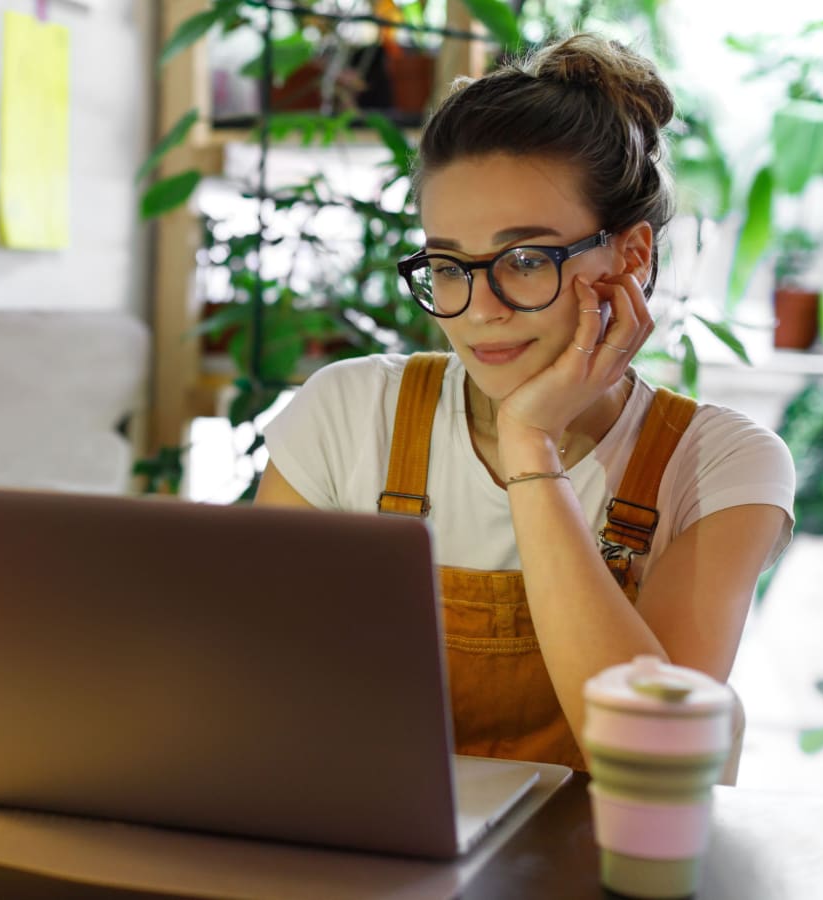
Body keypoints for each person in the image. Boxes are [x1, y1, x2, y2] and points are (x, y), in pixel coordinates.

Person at [254, 33, 795, 770]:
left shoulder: (720, 467)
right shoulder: (350, 412)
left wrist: (531, 446)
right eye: (449, 265)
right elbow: (257, 691)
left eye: (526, 260)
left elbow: (654, 755)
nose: (478, 309)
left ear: (630, 256)